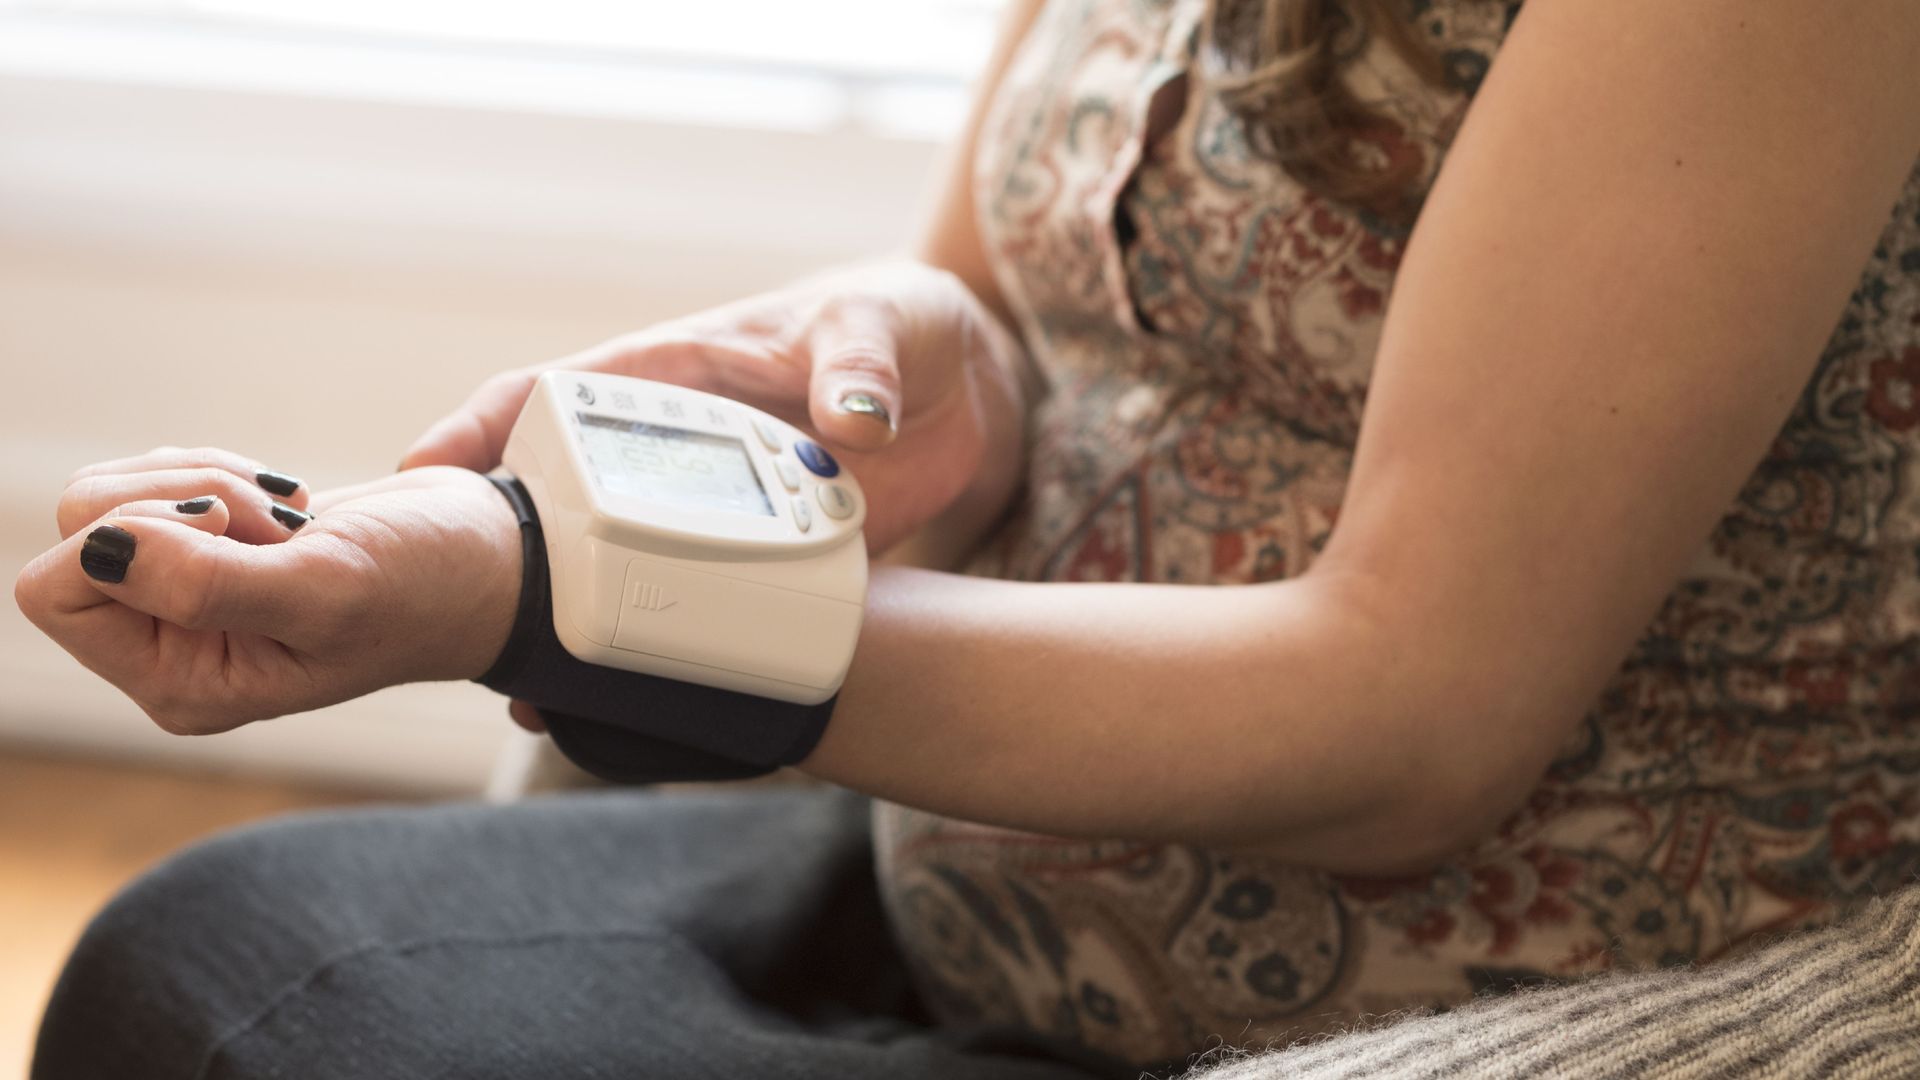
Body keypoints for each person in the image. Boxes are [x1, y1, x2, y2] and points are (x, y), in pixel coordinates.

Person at [16, 0, 1920, 1075]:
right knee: (202, 968)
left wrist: (552, 598)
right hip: (985, 885)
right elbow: (993, 293)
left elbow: (1409, 720)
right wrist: (924, 359)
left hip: (1445, 997)